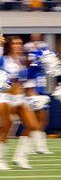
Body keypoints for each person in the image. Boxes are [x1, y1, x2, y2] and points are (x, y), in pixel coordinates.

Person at [0, 35, 46, 169]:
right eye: (15, 44)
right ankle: (1, 160)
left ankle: (20, 157)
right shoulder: (3, 59)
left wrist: (39, 66)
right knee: (5, 130)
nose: (18, 46)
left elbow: (26, 79)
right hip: (5, 97)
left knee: (33, 126)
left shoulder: (22, 61)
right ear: (9, 46)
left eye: (20, 43)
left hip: (20, 98)